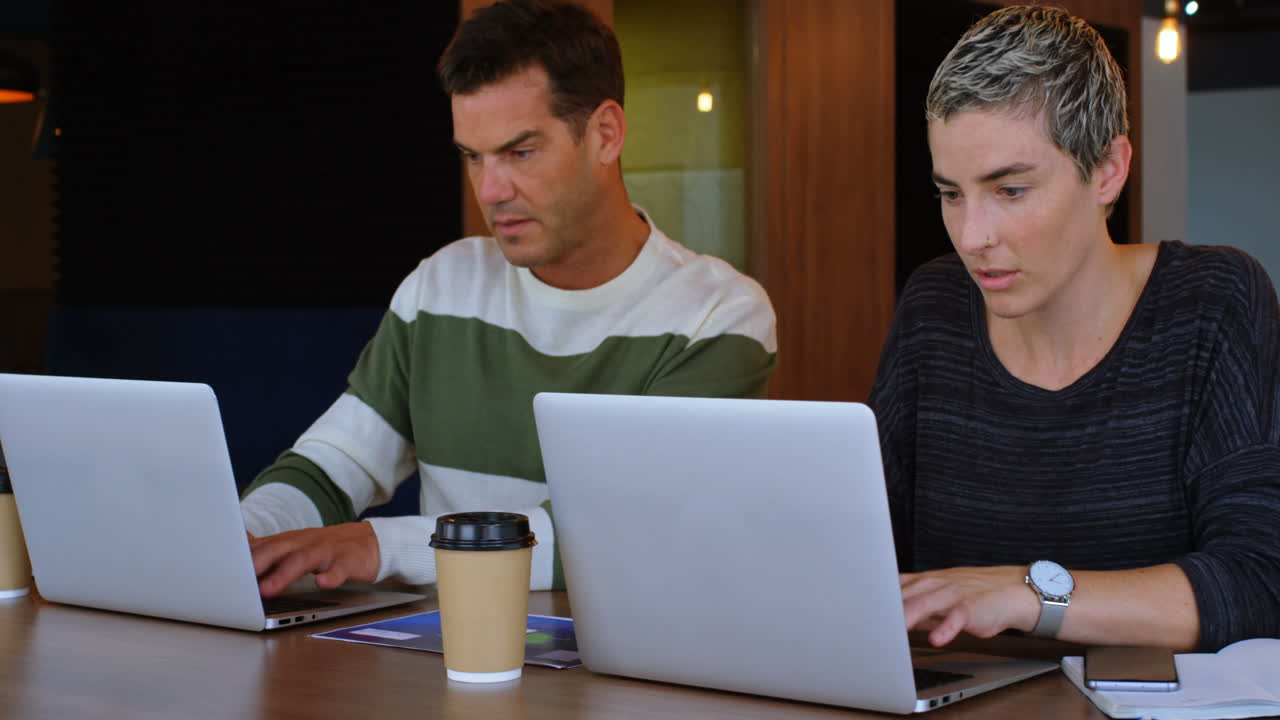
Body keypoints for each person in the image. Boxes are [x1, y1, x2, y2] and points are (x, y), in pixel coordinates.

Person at [240, 0, 777, 597]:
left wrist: (378, 546)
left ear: (605, 134)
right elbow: (333, 464)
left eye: (520, 152)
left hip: (607, 668)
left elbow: (619, 533)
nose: (491, 191)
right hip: (435, 658)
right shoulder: (438, 288)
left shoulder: (717, 315)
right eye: (473, 156)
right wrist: (244, 535)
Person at [870, 5, 1280, 653]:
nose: (973, 237)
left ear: (1108, 170)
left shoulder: (1214, 301)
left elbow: (1260, 585)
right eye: (951, 193)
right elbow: (864, 555)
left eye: (1010, 190)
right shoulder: (935, 305)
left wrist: (1030, 593)